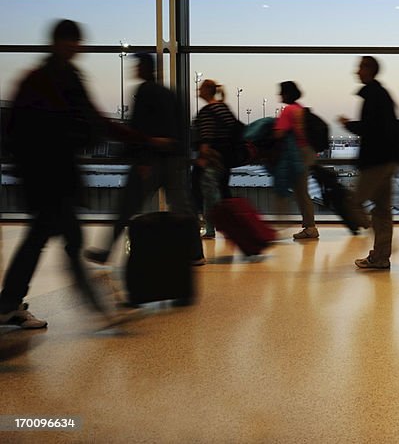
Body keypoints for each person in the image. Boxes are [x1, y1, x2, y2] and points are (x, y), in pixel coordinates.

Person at [0, 20, 150, 329]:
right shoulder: (53, 79)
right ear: (59, 43)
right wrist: (140, 139)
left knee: (46, 240)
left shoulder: (44, 79)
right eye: (70, 42)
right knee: (63, 242)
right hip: (51, 178)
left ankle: (10, 303)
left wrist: (134, 138)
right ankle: (101, 310)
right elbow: (93, 121)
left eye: (76, 43)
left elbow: (88, 121)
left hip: (48, 177)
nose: (74, 48)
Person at [85, 52, 199, 266]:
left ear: (145, 69)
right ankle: (195, 253)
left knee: (127, 206)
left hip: (150, 161)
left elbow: (140, 128)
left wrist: (140, 157)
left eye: (137, 66)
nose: (134, 70)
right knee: (182, 207)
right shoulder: (171, 94)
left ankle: (107, 250)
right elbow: (180, 129)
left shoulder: (145, 91)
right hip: (174, 160)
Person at [340, 56, 399, 270]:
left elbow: (371, 129)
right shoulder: (381, 94)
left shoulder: (373, 95)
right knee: (383, 211)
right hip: (387, 160)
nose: (356, 72)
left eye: (360, 68)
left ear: (369, 70)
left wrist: (350, 126)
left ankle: (378, 241)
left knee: (353, 203)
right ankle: (381, 256)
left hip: (376, 161)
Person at [193, 79, 239, 238]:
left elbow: (206, 137)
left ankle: (212, 228)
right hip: (226, 157)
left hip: (212, 158)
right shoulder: (223, 108)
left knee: (208, 193)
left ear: (207, 90)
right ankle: (232, 226)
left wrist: (202, 157)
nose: (198, 90)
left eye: (200, 88)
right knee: (223, 191)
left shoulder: (207, 111)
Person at [274, 81, 319, 240]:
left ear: (286, 94)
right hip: (307, 152)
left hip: (296, 155)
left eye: (281, 92)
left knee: (298, 191)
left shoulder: (288, 110)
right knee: (302, 191)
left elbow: (279, 133)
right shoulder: (300, 109)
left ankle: (309, 227)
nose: (279, 95)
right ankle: (309, 226)